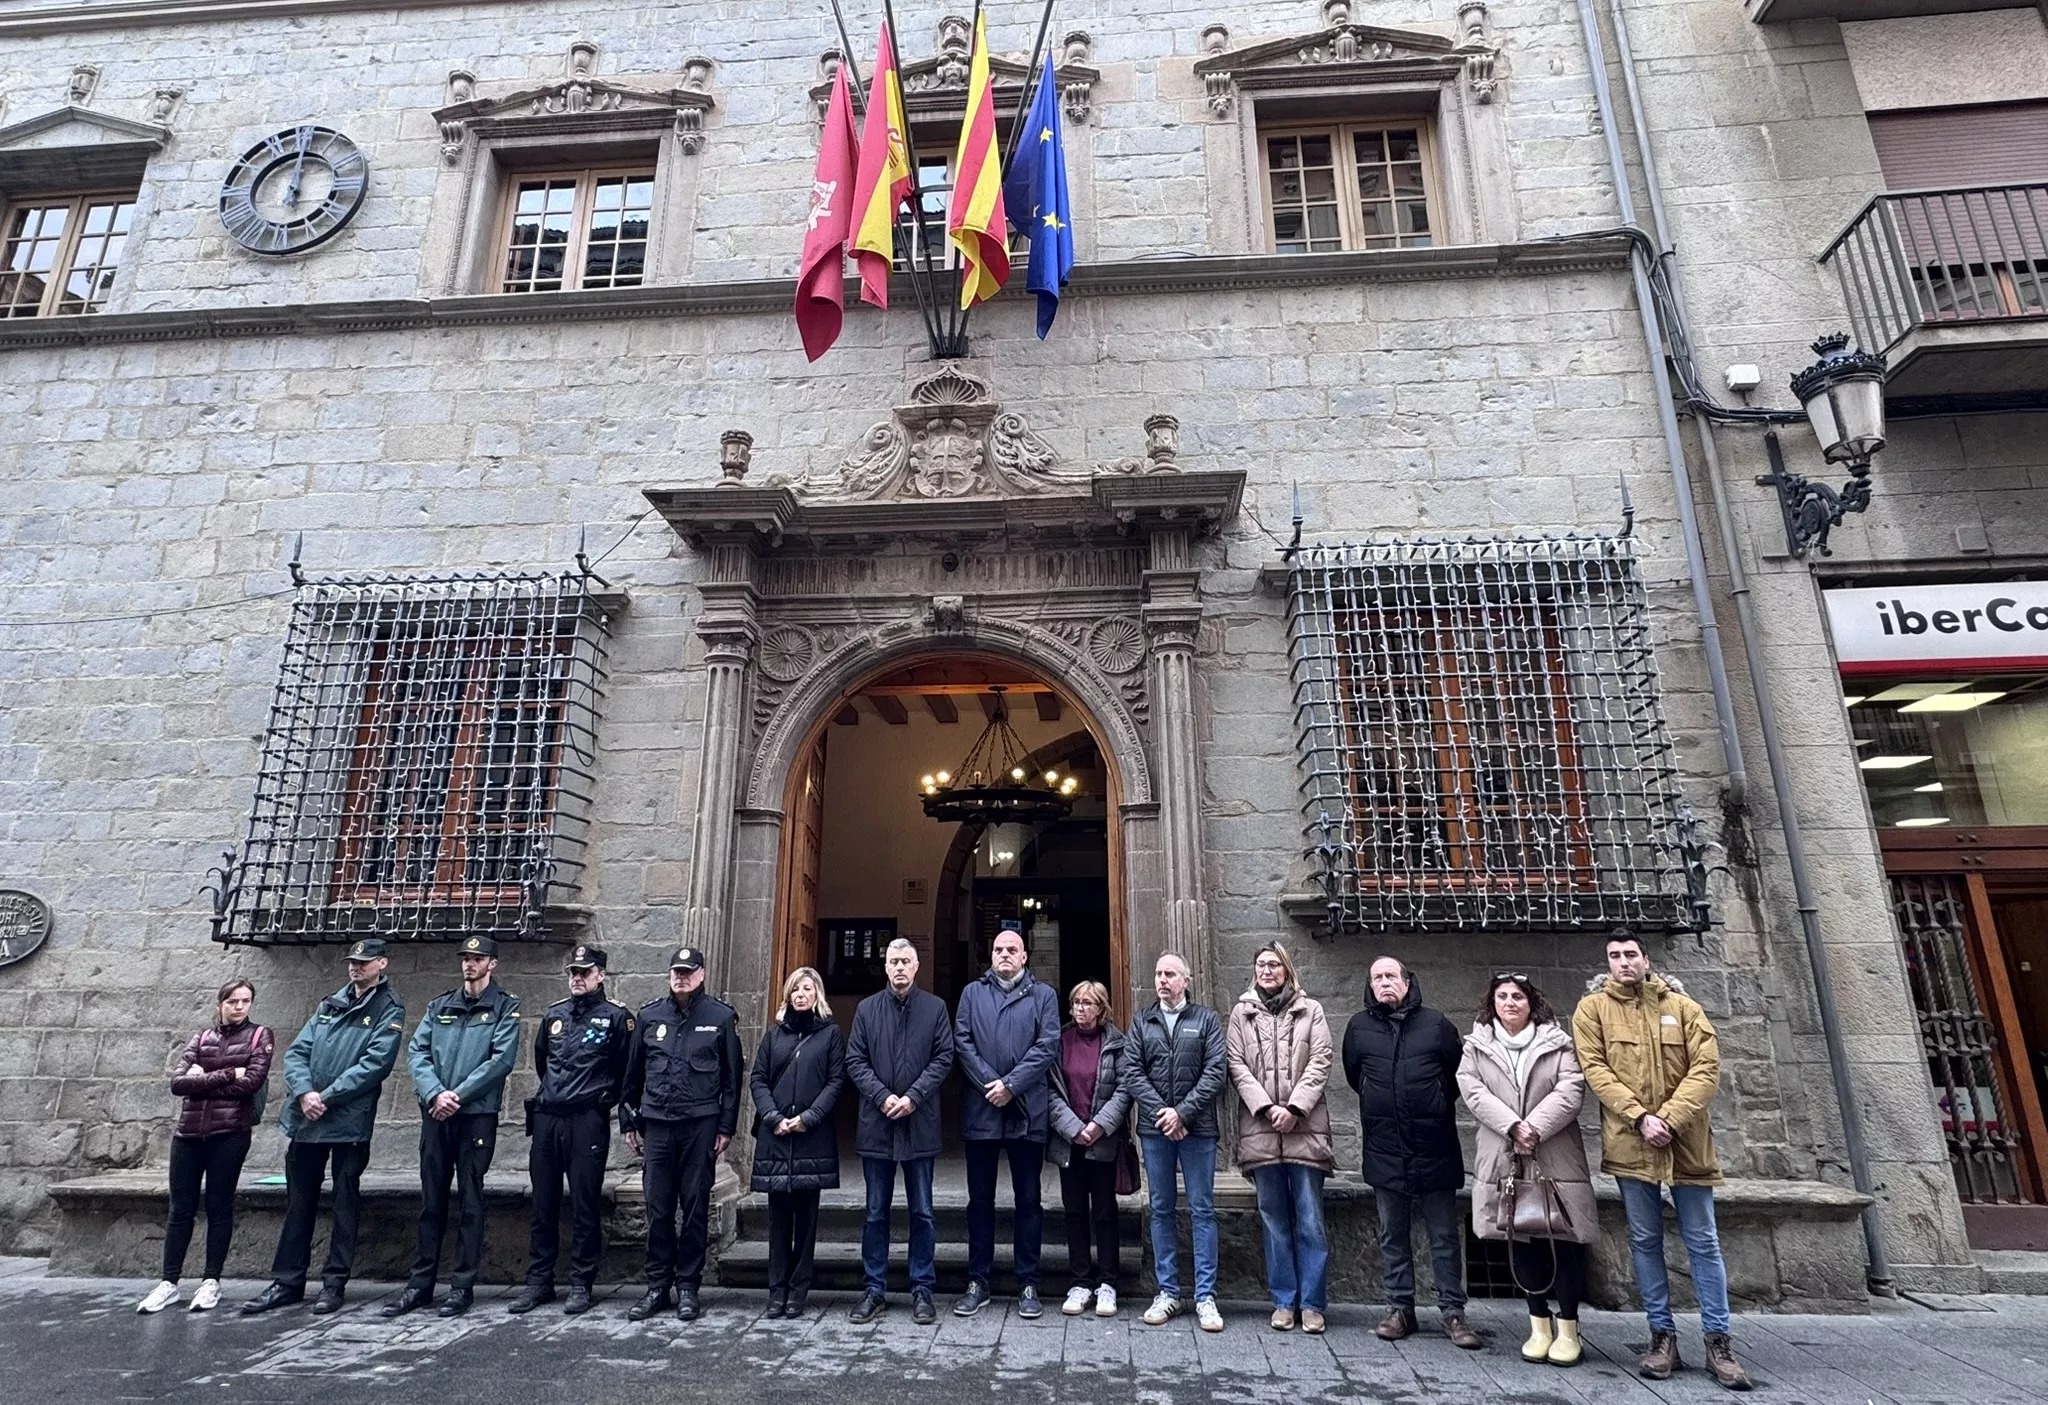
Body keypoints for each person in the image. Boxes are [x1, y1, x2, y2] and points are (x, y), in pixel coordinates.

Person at [1574, 936, 1753, 1391]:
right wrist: (1640, 1117)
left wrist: (1668, 1119)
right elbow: (1596, 1070)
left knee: (1704, 1240)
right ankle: (1662, 1336)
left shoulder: (1685, 1007)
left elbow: (1706, 1069)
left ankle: (1718, 1341)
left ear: (1645, 960)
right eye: (1614, 956)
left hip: (1687, 1143)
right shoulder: (1592, 1010)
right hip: (1632, 1144)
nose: (1622, 962)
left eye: (1630, 954)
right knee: (1644, 1239)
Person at [243, 938, 406, 1317]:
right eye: (353, 962)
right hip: (307, 1118)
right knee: (299, 1201)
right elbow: (298, 1051)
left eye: (365, 962)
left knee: (344, 1202)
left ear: (382, 964)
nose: (356, 967)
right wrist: (303, 1092)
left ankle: (334, 1283)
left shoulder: (388, 1008)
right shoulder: (330, 1002)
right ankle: (287, 1281)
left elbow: (375, 1064)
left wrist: (327, 1097)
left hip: (347, 1121)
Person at [1457, 973, 1598, 1368]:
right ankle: (1539, 1324)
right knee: (1519, 1236)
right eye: (1501, 996)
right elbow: (1472, 1090)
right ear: (1492, 1004)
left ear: (1531, 1002)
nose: (1510, 1003)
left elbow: (1571, 1089)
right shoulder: (1476, 1047)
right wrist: (1513, 1126)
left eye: (1517, 996)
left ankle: (1568, 1327)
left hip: (1553, 1153)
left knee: (1564, 1239)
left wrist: (1534, 1127)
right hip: (1504, 1153)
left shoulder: (1558, 1043)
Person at [1342, 956, 1480, 1349]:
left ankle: (1453, 1312)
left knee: (1442, 1235)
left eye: (1391, 976)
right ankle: (1399, 1308)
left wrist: (1432, 1102)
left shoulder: (1436, 1025)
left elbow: (1456, 1077)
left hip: (1433, 1145)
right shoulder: (1358, 1027)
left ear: (1406, 981)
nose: (1384, 983)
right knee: (1392, 1234)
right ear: (1370, 985)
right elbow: (1356, 1077)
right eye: (1377, 978)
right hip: (1384, 1146)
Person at [383, 935, 521, 1319]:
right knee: (431, 1200)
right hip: (436, 1113)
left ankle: (462, 1286)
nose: (469, 965)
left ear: (492, 964)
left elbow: (500, 1061)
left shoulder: (505, 1008)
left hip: (474, 1115)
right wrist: (434, 1094)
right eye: (465, 958)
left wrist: (455, 1095)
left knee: (471, 1202)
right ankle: (420, 1284)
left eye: (477, 959)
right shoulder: (440, 1005)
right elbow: (418, 1051)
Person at [621, 945, 743, 1322]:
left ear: (702, 974)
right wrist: (628, 1122)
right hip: (657, 1124)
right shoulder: (648, 1016)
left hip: (699, 1125)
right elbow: (632, 1074)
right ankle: (657, 1285)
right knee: (657, 1208)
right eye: (676, 971)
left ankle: (688, 1286)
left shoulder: (720, 1018)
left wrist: (725, 1128)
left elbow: (731, 1080)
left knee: (694, 1209)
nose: (682, 977)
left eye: (689, 971)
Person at [137, 979, 274, 1315]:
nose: (239, 1007)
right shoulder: (202, 1037)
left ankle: (211, 1281)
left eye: (245, 1001)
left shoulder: (260, 1036)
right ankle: (169, 1283)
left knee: (219, 1206)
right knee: (180, 1209)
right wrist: (228, 1073)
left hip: (229, 1133)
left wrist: (204, 1079)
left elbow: (252, 1084)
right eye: (232, 1001)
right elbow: (178, 1083)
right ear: (220, 1004)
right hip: (188, 1134)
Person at [510, 943, 633, 1316]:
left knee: (584, 1204)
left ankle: (581, 1281)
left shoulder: (617, 1018)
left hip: (586, 1120)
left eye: (584, 972)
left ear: (601, 975)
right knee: (542, 1203)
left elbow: (625, 1072)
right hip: (549, 1118)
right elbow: (542, 1061)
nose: (577, 978)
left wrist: (598, 1103)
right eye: (572, 973)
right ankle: (539, 1281)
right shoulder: (555, 1015)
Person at [843, 937, 954, 1325]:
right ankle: (874, 1289)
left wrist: (913, 1097)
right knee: (875, 1213)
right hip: (878, 1126)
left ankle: (922, 1289)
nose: (900, 967)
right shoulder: (866, 1010)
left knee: (923, 1212)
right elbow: (854, 1060)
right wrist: (883, 1097)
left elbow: (944, 1057)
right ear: (885, 966)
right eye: (894, 961)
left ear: (917, 966)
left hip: (919, 1125)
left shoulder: (935, 1008)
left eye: (906, 961)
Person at [1226, 942, 1336, 1335]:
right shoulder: (1243, 1013)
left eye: (1274, 965)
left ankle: (1312, 1303)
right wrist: (1266, 1107)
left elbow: (1321, 1059)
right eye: (1260, 965)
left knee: (1310, 1220)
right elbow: (1236, 1064)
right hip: (1261, 1130)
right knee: (1274, 1220)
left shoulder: (1311, 1010)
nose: (1267, 971)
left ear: (1287, 970)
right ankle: (1284, 1300)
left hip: (1304, 1129)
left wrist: (1294, 1109)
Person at [952, 927, 1062, 1319]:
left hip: (1025, 1109)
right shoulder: (971, 993)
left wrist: (1011, 1085)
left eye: (1011, 949)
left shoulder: (1044, 996)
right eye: (998, 949)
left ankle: (1028, 1280)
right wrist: (990, 1083)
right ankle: (977, 1280)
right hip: (982, 1108)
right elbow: (961, 1042)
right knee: (979, 1201)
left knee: (1028, 1201)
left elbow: (1048, 1045)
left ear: (1024, 956)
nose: (1004, 955)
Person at [1123, 951, 1228, 1333]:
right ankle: (1168, 1291)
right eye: (1158, 973)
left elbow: (1216, 1071)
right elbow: (1132, 1071)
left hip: (1197, 1131)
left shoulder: (1206, 1020)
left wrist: (1182, 1113)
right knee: (1161, 1208)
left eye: (1170, 974)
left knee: (1202, 1209)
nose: (1162, 980)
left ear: (1187, 979)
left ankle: (1205, 1296)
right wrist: (1163, 1114)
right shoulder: (1142, 1021)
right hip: (1155, 1131)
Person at [748, 966, 845, 1319]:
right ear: (787, 996)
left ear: (817, 994)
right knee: (778, 1222)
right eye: (795, 990)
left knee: (806, 1221)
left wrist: (808, 1118)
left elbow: (836, 1081)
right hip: (777, 1137)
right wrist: (773, 1117)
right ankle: (776, 1290)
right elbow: (758, 1079)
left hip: (810, 1138)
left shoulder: (830, 1035)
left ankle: (798, 1290)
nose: (801, 995)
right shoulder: (774, 1036)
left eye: (807, 988)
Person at [1047, 980, 1131, 1319]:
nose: (1081, 1008)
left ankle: (1108, 1282)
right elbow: (1050, 1090)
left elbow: (1125, 1089)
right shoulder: (1058, 1041)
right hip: (1070, 1140)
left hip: (1103, 1140)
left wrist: (1098, 1126)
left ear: (1102, 1008)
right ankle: (1080, 1280)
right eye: (1076, 1002)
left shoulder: (1117, 1044)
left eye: (1088, 1003)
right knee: (1074, 1211)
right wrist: (1074, 1128)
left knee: (1105, 1212)